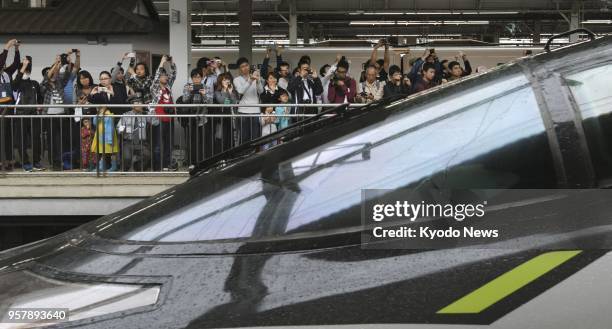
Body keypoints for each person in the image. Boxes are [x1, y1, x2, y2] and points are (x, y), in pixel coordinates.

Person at [12, 56, 44, 172]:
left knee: (36, 139)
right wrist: (23, 66)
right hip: (20, 115)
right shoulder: (17, 83)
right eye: (25, 70)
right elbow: (14, 85)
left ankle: (36, 162)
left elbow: (40, 97)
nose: (26, 72)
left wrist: (39, 105)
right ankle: (25, 163)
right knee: (21, 140)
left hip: (33, 115)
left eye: (27, 70)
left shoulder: (34, 83)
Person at [116, 97, 158, 171]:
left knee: (147, 155)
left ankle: (137, 167)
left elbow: (155, 123)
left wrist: (152, 111)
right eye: (137, 103)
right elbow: (119, 128)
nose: (140, 105)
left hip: (141, 143)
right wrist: (123, 128)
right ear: (132, 105)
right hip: (128, 142)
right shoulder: (126, 115)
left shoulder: (145, 115)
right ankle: (126, 168)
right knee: (127, 158)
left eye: (141, 103)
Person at [151, 55, 177, 171]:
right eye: (163, 75)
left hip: (169, 118)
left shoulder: (168, 87)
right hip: (158, 119)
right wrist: (162, 62)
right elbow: (156, 77)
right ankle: (157, 167)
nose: (166, 77)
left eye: (166, 75)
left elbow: (174, 74)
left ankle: (166, 165)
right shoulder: (155, 87)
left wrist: (171, 63)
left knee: (168, 144)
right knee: (158, 145)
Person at [42, 55, 69, 170]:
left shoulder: (60, 84)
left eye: (54, 73)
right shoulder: (45, 86)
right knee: (52, 140)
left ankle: (63, 161)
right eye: (51, 73)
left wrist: (61, 63)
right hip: (50, 116)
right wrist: (55, 64)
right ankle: (55, 163)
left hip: (62, 114)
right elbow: (46, 79)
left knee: (62, 139)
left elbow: (66, 75)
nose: (53, 75)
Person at [182, 68, 211, 165]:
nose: (196, 79)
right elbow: (184, 100)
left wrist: (204, 95)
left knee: (203, 142)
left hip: (203, 119)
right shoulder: (187, 87)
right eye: (194, 77)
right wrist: (190, 93)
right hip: (191, 119)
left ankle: (202, 163)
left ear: (202, 78)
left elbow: (210, 102)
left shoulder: (206, 87)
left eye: (198, 77)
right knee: (192, 142)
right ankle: (192, 163)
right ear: (191, 78)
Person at [233, 57, 263, 145]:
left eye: (246, 65)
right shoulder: (237, 79)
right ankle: (244, 156)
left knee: (255, 137)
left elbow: (261, 91)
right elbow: (241, 91)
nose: (245, 68)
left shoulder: (254, 77)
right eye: (242, 66)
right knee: (244, 137)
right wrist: (250, 80)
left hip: (255, 111)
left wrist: (258, 81)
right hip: (243, 111)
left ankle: (255, 156)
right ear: (239, 69)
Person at [0, 39, 20, 170]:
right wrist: (7, 46)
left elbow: (16, 63)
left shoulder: (7, 73)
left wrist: (16, 49)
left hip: (9, 107)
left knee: (8, 135)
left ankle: (8, 160)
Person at [214, 72, 240, 155]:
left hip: (231, 119)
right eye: (224, 79)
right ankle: (221, 160)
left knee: (231, 139)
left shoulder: (233, 91)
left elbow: (234, 102)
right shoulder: (217, 92)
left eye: (228, 79)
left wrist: (231, 92)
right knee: (221, 139)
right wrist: (225, 91)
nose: (227, 81)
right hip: (221, 119)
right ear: (220, 81)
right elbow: (222, 102)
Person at [91, 106, 119, 171]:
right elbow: (95, 123)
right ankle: (101, 166)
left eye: (101, 107)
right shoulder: (97, 114)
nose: (99, 108)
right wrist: (99, 115)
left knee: (112, 151)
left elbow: (109, 123)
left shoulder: (110, 114)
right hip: (100, 135)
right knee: (101, 151)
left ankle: (114, 166)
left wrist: (103, 115)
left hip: (109, 136)